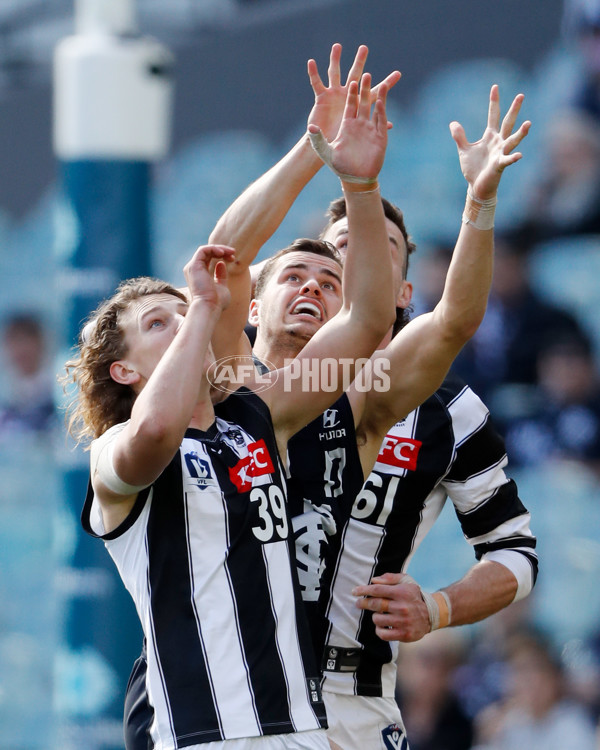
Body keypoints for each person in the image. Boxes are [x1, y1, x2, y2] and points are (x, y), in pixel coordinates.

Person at [123, 44, 533, 750]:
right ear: (253, 303)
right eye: (302, 268)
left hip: (348, 695)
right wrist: (318, 151)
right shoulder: (223, 386)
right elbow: (222, 256)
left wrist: (476, 201)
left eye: (341, 270)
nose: (321, 279)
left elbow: (442, 325)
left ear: (385, 289)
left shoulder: (369, 398)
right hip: (211, 687)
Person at [65, 72, 397, 750]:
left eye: (182, 313)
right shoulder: (115, 457)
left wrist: (349, 179)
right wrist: (205, 313)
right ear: (122, 370)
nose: (185, 322)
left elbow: (364, 322)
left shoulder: (252, 419)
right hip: (203, 736)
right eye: (159, 322)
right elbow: (158, 426)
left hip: (300, 733)